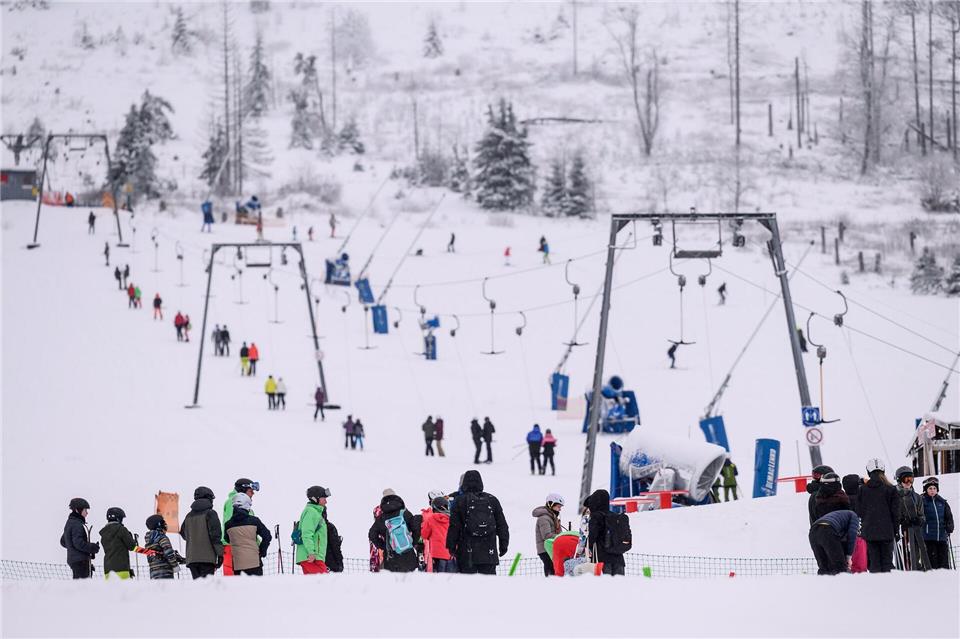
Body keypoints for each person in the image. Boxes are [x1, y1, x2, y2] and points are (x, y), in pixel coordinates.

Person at [446, 470, 509, 574]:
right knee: (489, 583)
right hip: (489, 553)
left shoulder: (459, 501)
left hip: (467, 554)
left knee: (468, 583)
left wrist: (451, 547)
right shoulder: (492, 500)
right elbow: (502, 526)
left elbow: (454, 526)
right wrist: (504, 545)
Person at [856, 459, 900, 573]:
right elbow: (895, 513)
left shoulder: (863, 489)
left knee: (874, 563)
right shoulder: (891, 489)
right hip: (887, 531)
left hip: (869, 532)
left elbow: (859, 511)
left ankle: (876, 583)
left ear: (868, 471)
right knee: (887, 562)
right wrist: (896, 531)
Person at [369, 489, 421, 573]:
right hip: (408, 555)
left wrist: (383, 546)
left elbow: (371, 534)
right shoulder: (404, 513)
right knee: (410, 580)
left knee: (394, 581)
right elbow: (415, 527)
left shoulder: (382, 518)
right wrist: (413, 542)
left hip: (390, 559)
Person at [179, 486, 223, 579]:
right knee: (207, 586)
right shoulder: (211, 513)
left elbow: (183, 534)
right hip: (207, 558)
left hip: (192, 559)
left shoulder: (188, 516)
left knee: (198, 587)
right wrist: (220, 554)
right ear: (208, 498)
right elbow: (215, 536)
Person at [224, 493, 272, 576]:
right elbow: (267, 536)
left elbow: (227, 539)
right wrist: (262, 551)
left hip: (237, 564)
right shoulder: (254, 521)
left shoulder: (228, 524)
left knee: (241, 584)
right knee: (256, 584)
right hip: (254, 562)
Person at [586, 489, 630, 575]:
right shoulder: (616, 517)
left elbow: (592, 537)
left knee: (604, 583)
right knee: (619, 583)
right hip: (619, 560)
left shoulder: (596, 517)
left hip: (601, 560)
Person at [895, 466, 930, 570]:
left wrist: (919, 520)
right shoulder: (894, 496)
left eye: (911, 479)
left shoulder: (916, 497)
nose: (909, 482)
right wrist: (901, 521)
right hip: (902, 533)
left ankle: (919, 572)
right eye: (906, 479)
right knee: (905, 558)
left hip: (916, 532)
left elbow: (922, 515)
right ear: (899, 480)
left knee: (916, 556)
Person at [222, 478, 259, 576]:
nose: (253, 494)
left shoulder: (245, 507)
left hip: (244, 548)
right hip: (234, 547)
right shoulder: (232, 502)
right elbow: (232, 526)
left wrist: (256, 543)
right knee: (233, 580)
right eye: (251, 491)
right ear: (243, 490)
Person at [99, 507, 148, 580]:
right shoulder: (121, 529)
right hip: (122, 569)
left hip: (108, 571)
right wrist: (149, 552)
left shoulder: (104, 533)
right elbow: (132, 547)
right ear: (118, 519)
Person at [809, 509, 861, 575]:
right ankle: (842, 580)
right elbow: (852, 536)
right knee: (840, 567)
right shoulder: (854, 516)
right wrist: (849, 556)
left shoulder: (841, 515)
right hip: (827, 530)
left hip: (813, 532)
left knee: (824, 567)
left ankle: (822, 581)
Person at [61, 498, 100, 579]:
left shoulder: (70, 522)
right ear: (77, 510)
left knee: (79, 584)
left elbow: (64, 541)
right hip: (80, 562)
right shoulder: (76, 524)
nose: (87, 513)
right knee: (83, 585)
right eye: (85, 510)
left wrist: (85, 552)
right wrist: (91, 547)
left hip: (76, 561)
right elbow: (78, 543)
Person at [920, 477, 954, 570]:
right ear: (926, 489)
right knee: (933, 563)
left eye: (934, 488)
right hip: (929, 537)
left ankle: (945, 577)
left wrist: (950, 526)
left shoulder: (942, 502)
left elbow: (949, 516)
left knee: (944, 563)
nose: (932, 490)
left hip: (942, 537)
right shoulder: (922, 501)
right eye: (930, 488)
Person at [296, 486, 331, 574]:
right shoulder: (311, 512)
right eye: (324, 498)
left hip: (314, 557)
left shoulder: (316, 513)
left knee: (316, 583)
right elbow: (306, 534)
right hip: (312, 557)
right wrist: (311, 552)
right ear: (316, 499)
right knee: (325, 580)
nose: (326, 501)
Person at [144, 514, 185, 579]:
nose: (166, 525)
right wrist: (175, 566)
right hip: (165, 571)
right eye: (164, 523)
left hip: (153, 572)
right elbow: (168, 552)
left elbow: (157, 553)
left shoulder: (149, 540)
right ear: (159, 525)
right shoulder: (161, 537)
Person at [422, 495, 455, 572]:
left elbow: (424, 535)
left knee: (439, 577)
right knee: (450, 577)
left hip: (436, 553)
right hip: (450, 553)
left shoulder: (430, 519)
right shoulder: (452, 519)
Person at [533, 494, 563, 576]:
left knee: (554, 571)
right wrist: (562, 537)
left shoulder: (553, 517)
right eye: (558, 507)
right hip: (545, 550)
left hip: (551, 548)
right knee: (551, 571)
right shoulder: (543, 518)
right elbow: (546, 536)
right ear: (551, 504)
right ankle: (549, 583)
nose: (560, 509)